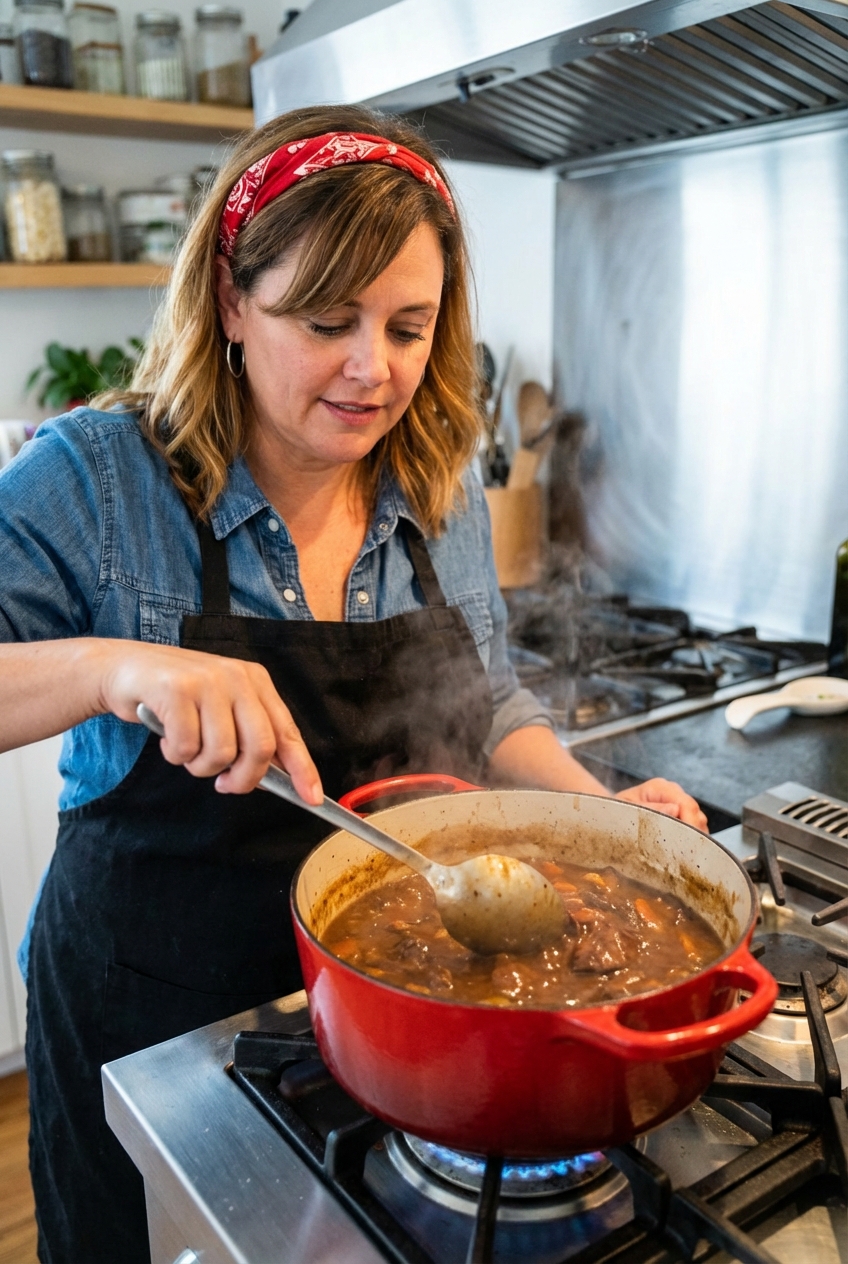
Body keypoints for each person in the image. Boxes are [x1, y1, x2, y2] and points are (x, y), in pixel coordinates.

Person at [0, 104, 707, 1262]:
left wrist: (602, 817)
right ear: (232, 300)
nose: (373, 369)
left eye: (408, 326)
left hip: (395, 1026)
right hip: (151, 1028)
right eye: (328, 321)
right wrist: (111, 666)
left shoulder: (435, 485)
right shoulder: (99, 480)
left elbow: (487, 703)